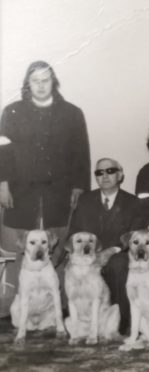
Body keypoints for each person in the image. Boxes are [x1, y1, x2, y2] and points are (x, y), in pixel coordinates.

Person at [0, 61, 90, 308]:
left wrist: (79, 187)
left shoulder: (72, 113)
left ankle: (58, 309)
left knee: (57, 247)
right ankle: (19, 307)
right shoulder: (11, 111)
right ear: (27, 85)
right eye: (35, 80)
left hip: (59, 193)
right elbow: (3, 152)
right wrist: (3, 184)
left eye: (45, 79)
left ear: (54, 82)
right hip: (21, 192)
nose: (40, 85)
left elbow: (81, 154)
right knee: (20, 248)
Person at [70, 158, 143, 335]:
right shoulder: (85, 200)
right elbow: (74, 232)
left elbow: (134, 236)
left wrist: (110, 251)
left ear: (120, 175)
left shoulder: (133, 202)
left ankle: (121, 323)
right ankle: (82, 323)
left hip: (118, 253)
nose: (105, 176)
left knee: (119, 264)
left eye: (110, 171)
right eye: (99, 172)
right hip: (88, 256)